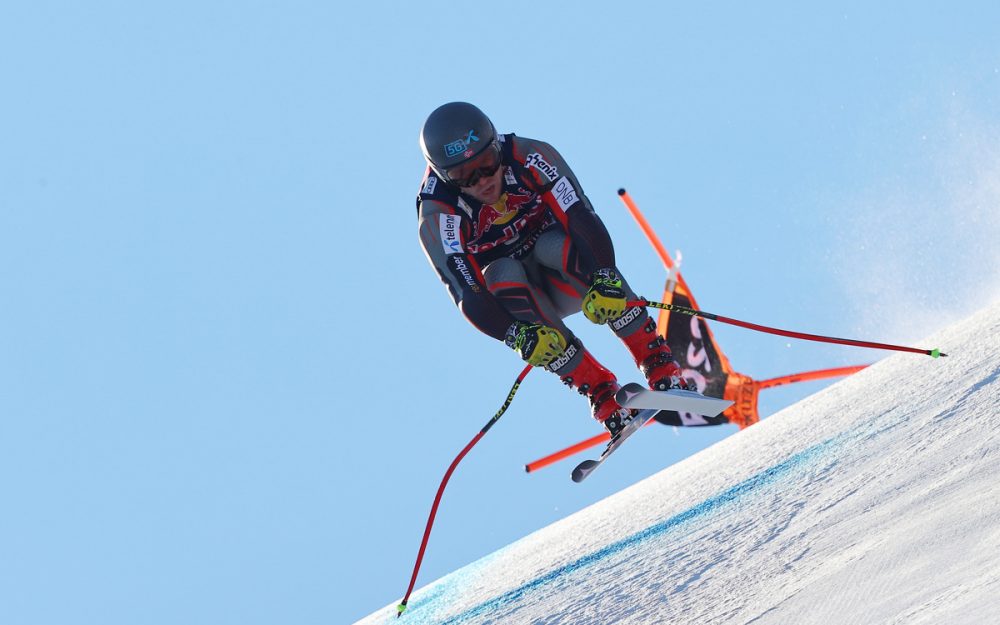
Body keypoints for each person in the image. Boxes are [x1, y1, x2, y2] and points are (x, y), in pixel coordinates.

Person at [416, 102, 692, 437]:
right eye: (464, 176)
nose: (482, 181)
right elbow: (466, 291)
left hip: (563, 270)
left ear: (496, 146)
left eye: (487, 164)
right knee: (500, 274)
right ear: (445, 177)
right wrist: (515, 336)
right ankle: (600, 390)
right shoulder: (438, 213)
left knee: (555, 246)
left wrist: (604, 277)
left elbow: (580, 214)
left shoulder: (528, 156)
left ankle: (656, 359)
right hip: (519, 297)